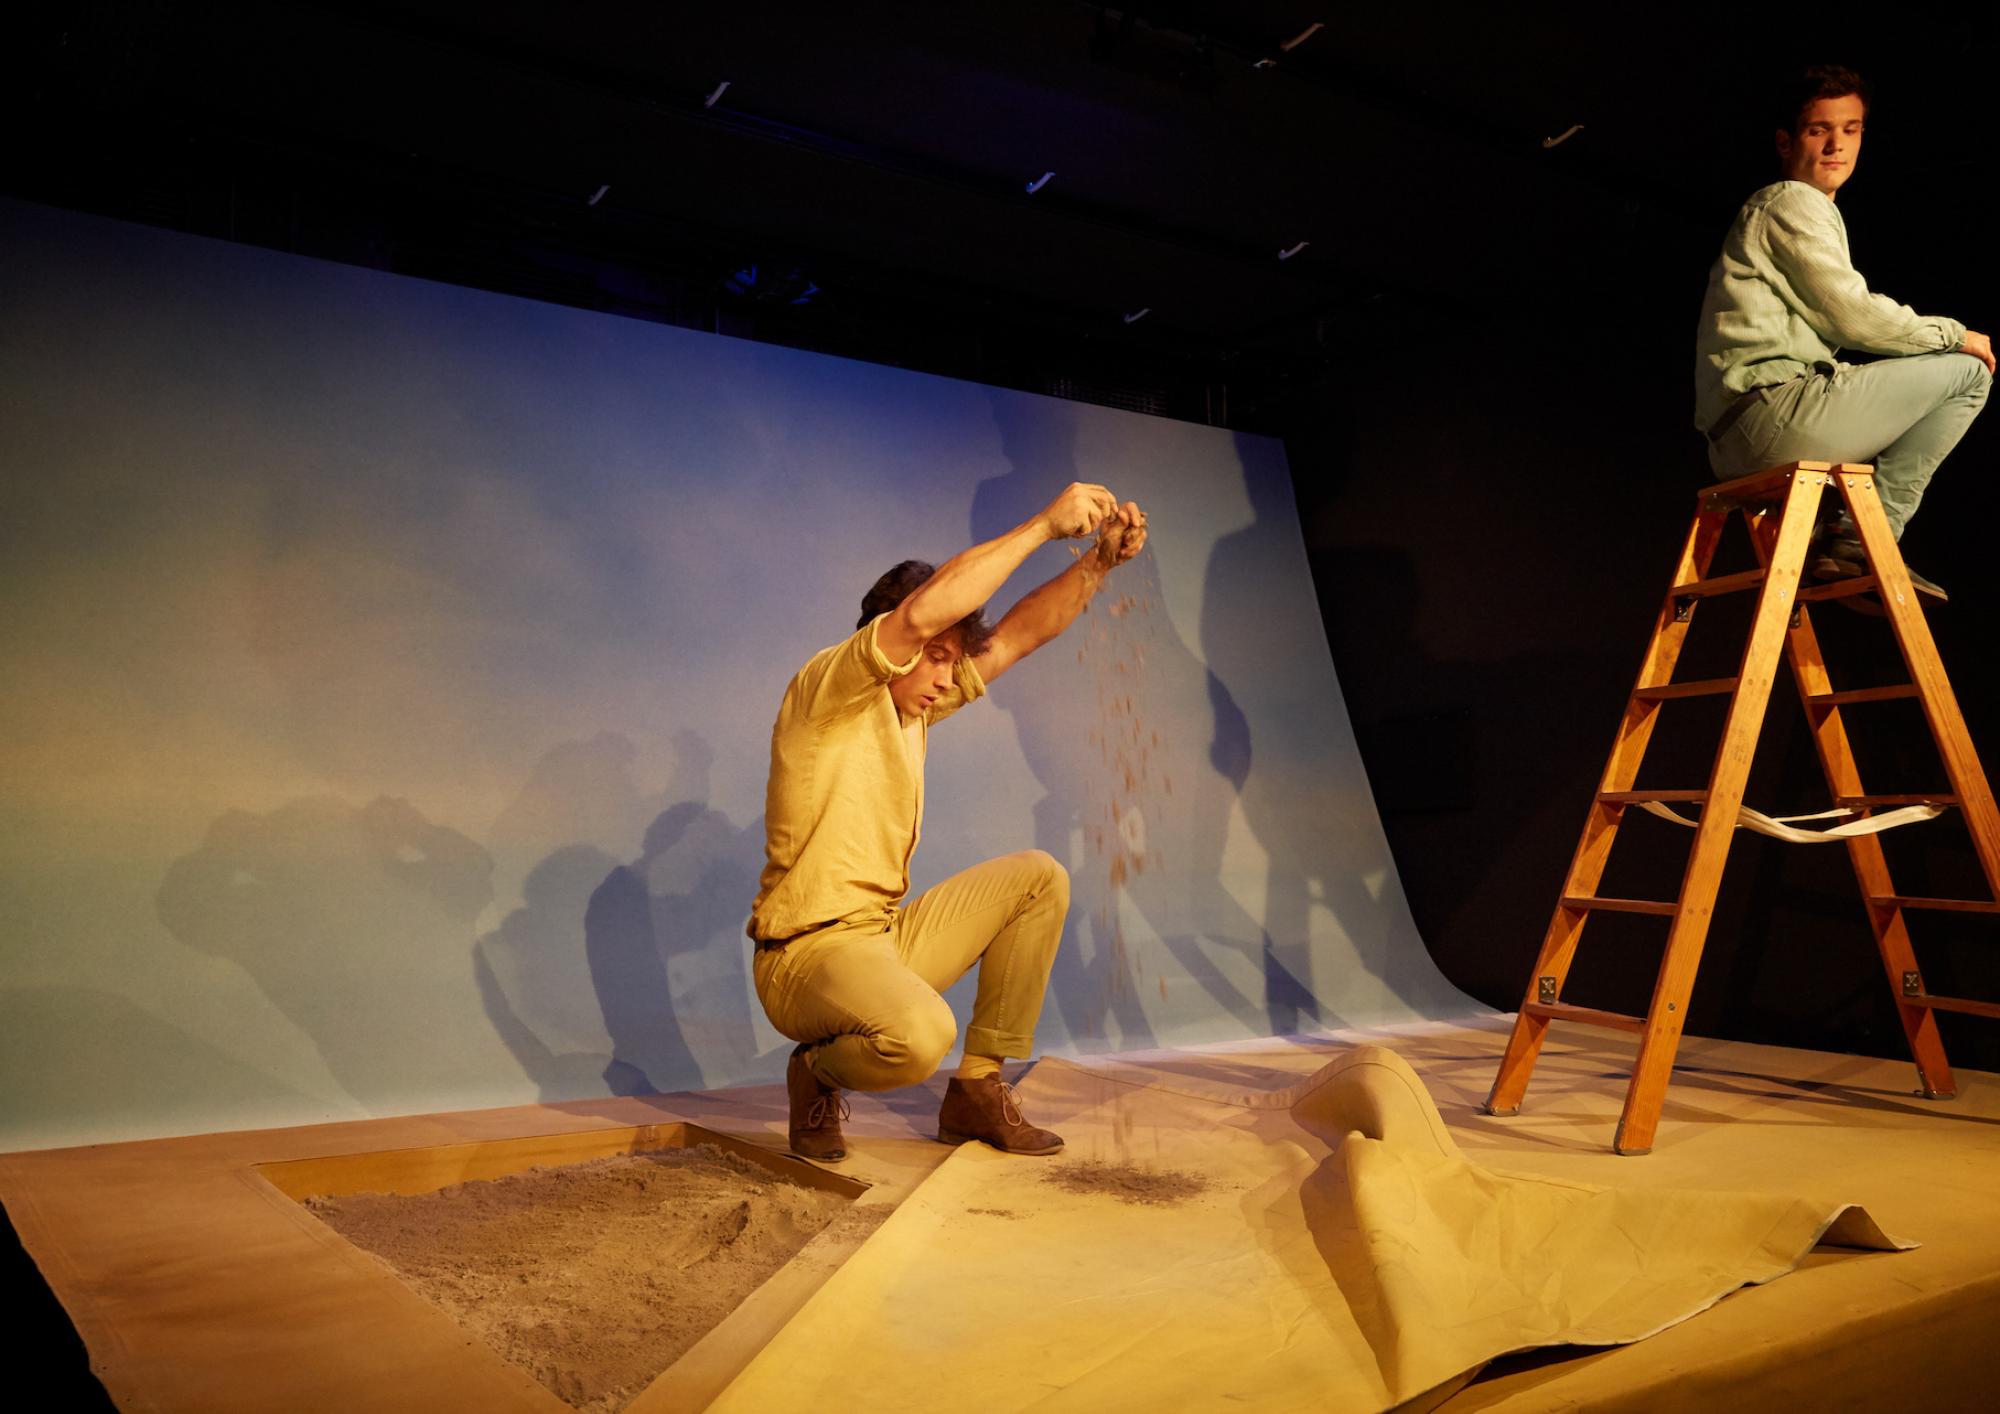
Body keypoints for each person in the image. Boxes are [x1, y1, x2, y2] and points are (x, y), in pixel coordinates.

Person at [747, 481, 1148, 1161]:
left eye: (953, 660)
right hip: (805, 957)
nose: (945, 674)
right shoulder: (829, 688)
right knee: (920, 1034)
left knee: (1037, 878)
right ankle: (815, 1072)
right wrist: (1046, 525)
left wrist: (1098, 563)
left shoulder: (917, 709)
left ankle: (976, 1094)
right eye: (936, 655)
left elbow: (1019, 635)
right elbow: (925, 614)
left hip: (881, 939)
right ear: (897, 637)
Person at [1694, 65, 1992, 594]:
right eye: (1819, 130)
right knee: (1968, 372)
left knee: (1910, 370)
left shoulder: (1802, 210)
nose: (1837, 145)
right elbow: (1853, 317)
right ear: (1786, 142)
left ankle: (1848, 541)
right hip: (1772, 415)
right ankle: (1862, 537)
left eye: (1850, 130)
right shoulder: (1790, 201)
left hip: (1739, 434)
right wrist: (1954, 333)